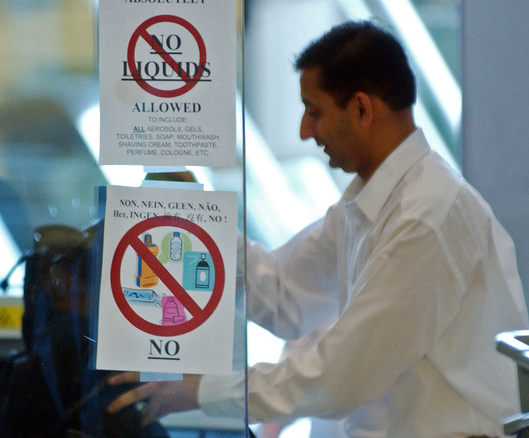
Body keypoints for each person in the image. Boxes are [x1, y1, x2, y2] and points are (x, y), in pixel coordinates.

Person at [106, 20, 529, 437]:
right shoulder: (369, 202)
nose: (305, 131)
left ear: (362, 109)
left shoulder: (428, 215)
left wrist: (206, 391)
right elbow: (285, 295)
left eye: (314, 112)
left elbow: (345, 372)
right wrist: (189, 219)